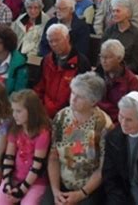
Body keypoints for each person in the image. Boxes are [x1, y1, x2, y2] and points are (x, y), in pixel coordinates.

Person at [45, 72, 113, 204]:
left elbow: (102, 168)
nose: (73, 99)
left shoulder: (104, 125)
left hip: (88, 188)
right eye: (73, 93)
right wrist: (55, 191)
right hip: (60, 182)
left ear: (93, 101)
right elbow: (53, 157)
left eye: (80, 96)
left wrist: (82, 194)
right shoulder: (61, 117)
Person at [0, 89, 51, 205]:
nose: (14, 115)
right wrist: (7, 181)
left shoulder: (42, 133)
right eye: (13, 110)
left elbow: (37, 166)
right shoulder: (15, 128)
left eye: (18, 111)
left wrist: (22, 189)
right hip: (14, 177)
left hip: (35, 182)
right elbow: (9, 157)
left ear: (32, 111)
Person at [34, 24, 91, 118]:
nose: (54, 44)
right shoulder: (46, 60)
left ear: (67, 38)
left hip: (68, 115)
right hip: (43, 112)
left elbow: (82, 97)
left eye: (57, 40)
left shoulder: (81, 63)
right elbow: (39, 88)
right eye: (51, 41)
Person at [96, 40, 138, 122]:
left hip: (118, 122)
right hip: (96, 118)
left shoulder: (131, 80)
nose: (104, 61)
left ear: (119, 58)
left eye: (108, 57)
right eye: (102, 56)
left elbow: (131, 110)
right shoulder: (96, 74)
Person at [101, 0, 138, 74]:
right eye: (113, 11)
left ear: (128, 13)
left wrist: (119, 71)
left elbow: (135, 63)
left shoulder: (137, 35)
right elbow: (101, 53)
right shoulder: (109, 31)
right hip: (106, 71)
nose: (114, 14)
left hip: (126, 74)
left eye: (118, 11)